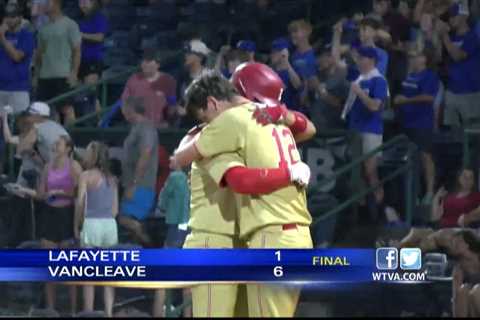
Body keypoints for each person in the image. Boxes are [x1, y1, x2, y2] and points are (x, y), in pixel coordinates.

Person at [172, 69, 316, 317]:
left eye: (205, 117)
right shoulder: (277, 121)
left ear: (213, 102)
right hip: (237, 239)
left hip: (262, 237)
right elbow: (310, 129)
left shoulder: (231, 124)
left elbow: (179, 159)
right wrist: (286, 118)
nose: (208, 124)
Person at [17, 135, 82, 315]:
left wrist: (62, 193)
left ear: (68, 148)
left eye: (59, 144)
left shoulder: (74, 166)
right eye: (55, 143)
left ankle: (74, 310)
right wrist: (27, 192)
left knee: (70, 268)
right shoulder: (47, 167)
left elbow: (79, 192)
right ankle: (51, 309)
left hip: (67, 215)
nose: (55, 146)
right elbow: (40, 193)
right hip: (50, 215)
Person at [75, 141, 118, 318]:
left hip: (92, 224)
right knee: (109, 275)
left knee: (89, 275)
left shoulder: (85, 176)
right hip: (109, 225)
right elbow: (115, 210)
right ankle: (108, 313)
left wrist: (78, 224)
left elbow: (80, 203)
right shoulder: (113, 179)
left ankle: (89, 312)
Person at [343, 47, 388, 205]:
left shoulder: (379, 80)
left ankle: (379, 204)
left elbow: (375, 106)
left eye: (363, 58)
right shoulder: (358, 79)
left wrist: (360, 93)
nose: (360, 61)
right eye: (359, 58)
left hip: (371, 129)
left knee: (370, 171)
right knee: (357, 172)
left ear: (371, 60)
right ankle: (361, 208)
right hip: (355, 129)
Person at [394, 48, 439, 205]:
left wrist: (405, 100)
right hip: (407, 123)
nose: (412, 58)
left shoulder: (429, 76)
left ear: (425, 59)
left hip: (422, 123)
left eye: (416, 55)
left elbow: (428, 97)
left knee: (425, 156)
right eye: (412, 56)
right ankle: (413, 195)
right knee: (410, 159)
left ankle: (430, 192)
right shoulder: (410, 76)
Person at [118, 96, 158, 246]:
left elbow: (145, 153)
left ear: (130, 109)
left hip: (141, 185)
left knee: (126, 219)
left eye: (123, 107)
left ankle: (153, 245)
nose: (122, 111)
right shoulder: (136, 127)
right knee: (129, 222)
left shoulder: (146, 128)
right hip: (132, 183)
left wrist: (135, 183)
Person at [153, 163, 191, 318]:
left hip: (176, 230)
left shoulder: (175, 177)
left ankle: (157, 314)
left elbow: (161, 204)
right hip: (192, 231)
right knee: (189, 279)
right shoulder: (199, 177)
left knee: (163, 277)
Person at [35, 0, 82, 125]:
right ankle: (53, 142)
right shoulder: (43, 28)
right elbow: (39, 55)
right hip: (45, 76)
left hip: (63, 75)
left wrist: (74, 73)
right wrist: (36, 75)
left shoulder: (70, 24)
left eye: (47, 2)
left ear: (57, 3)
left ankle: (69, 141)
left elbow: (77, 51)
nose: (44, 4)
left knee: (67, 109)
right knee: (48, 112)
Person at [437, 2, 480, 128]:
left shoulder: (472, 37)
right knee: (453, 136)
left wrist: (444, 36)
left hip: (470, 93)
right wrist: (439, 36)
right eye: (449, 17)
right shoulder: (451, 38)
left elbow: (458, 56)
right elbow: (438, 58)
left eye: (454, 16)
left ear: (464, 16)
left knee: (473, 135)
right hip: (452, 91)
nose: (450, 20)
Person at [121, 48, 177, 129]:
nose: (145, 64)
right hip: (138, 128)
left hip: (161, 128)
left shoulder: (168, 80)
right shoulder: (133, 79)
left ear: (158, 64)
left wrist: (167, 123)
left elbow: (172, 106)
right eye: (143, 61)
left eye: (149, 61)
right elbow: (124, 102)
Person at [0, 3, 35, 115]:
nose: (9, 19)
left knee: (20, 126)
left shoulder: (26, 36)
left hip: (19, 89)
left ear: (20, 17)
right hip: (1, 88)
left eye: (13, 16)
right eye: (7, 16)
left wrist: (2, 37)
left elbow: (16, 57)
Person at [76, 0, 108, 119]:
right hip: (79, 61)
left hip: (93, 60)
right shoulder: (78, 19)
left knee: (91, 93)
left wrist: (81, 35)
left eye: (86, 1)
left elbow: (100, 37)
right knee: (79, 95)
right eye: (81, 1)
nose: (83, 4)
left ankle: (101, 122)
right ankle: (85, 121)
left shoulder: (99, 17)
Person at [310, 45, 349, 129]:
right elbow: (306, 103)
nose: (323, 59)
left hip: (334, 131)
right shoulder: (318, 77)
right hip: (316, 128)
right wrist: (307, 87)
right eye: (321, 56)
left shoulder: (341, 80)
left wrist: (320, 89)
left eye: (328, 55)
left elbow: (338, 104)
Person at [288, 19, 320, 106]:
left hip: (315, 99)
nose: (293, 35)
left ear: (307, 32)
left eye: (295, 31)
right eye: (291, 32)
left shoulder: (316, 53)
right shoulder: (292, 56)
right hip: (297, 99)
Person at [269, 38, 303, 110]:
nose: (272, 55)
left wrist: (286, 62)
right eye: (272, 52)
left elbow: (298, 86)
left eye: (276, 52)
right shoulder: (269, 71)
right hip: (274, 111)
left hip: (291, 111)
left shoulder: (294, 69)